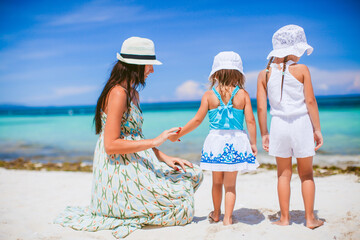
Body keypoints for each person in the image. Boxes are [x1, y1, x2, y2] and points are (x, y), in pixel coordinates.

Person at [54, 37, 203, 238]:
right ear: (137, 66)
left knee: (194, 173)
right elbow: (111, 145)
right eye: (150, 65)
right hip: (119, 169)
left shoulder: (132, 93)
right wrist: (155, 141)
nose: (152, 70)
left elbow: (134, 136)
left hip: (134, 160)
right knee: (184, 205)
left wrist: (163, 156)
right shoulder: (118, 93)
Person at [170, 51, 259, 225]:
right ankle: (228, 219)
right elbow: (250, 121)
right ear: (239, 73)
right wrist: (253, 143)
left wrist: (178, 134)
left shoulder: (209, 95)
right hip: (236, 141)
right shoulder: (243, 95)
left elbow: (197, 120)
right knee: (231, 185)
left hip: (216, 142)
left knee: (217, 182)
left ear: (216, 74)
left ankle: (216, 214)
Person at [256, 25, 324, 229]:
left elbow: (261, 107)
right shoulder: (302, 70)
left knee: (283, 174)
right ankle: (310, 219)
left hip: (278, 125)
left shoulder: (264, 74)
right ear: (292, 49)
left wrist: (264, 133)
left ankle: (284, 219)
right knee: (306, 174)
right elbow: (310, 101)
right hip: (301, 124)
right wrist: (317, 129)